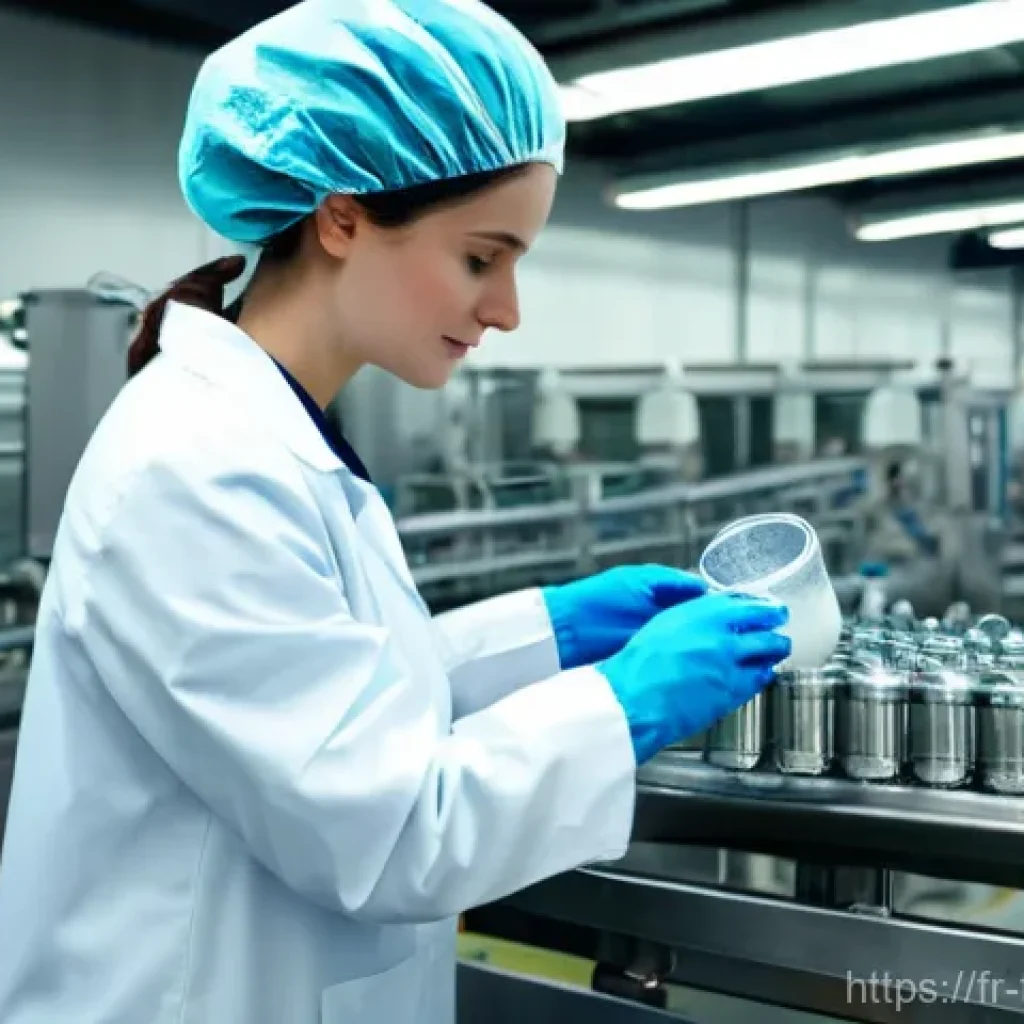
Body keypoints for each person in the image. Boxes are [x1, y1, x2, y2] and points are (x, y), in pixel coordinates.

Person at [0, 3, 791, 1022]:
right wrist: (620, 702)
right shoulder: (196, 466)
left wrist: (540, 632)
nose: (505, 308)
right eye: (480, 257)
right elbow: (392, 830)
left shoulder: (269, 432)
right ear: (342, 217)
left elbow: (330, 697)